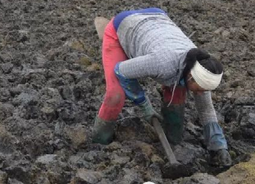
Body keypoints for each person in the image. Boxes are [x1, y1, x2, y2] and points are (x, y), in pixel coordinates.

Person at [92, 8, 232, 167]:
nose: (200, 93)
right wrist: (145, 107)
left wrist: (219, 146)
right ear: (190, 76)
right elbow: (121, 71)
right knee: (115, 95)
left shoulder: (199, 67)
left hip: (158, 22)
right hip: (123, 28)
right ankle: (99, 142)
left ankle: (173, 141)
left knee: (178, 91)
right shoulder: (162, 63)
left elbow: (206, 108)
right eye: (199, 89)